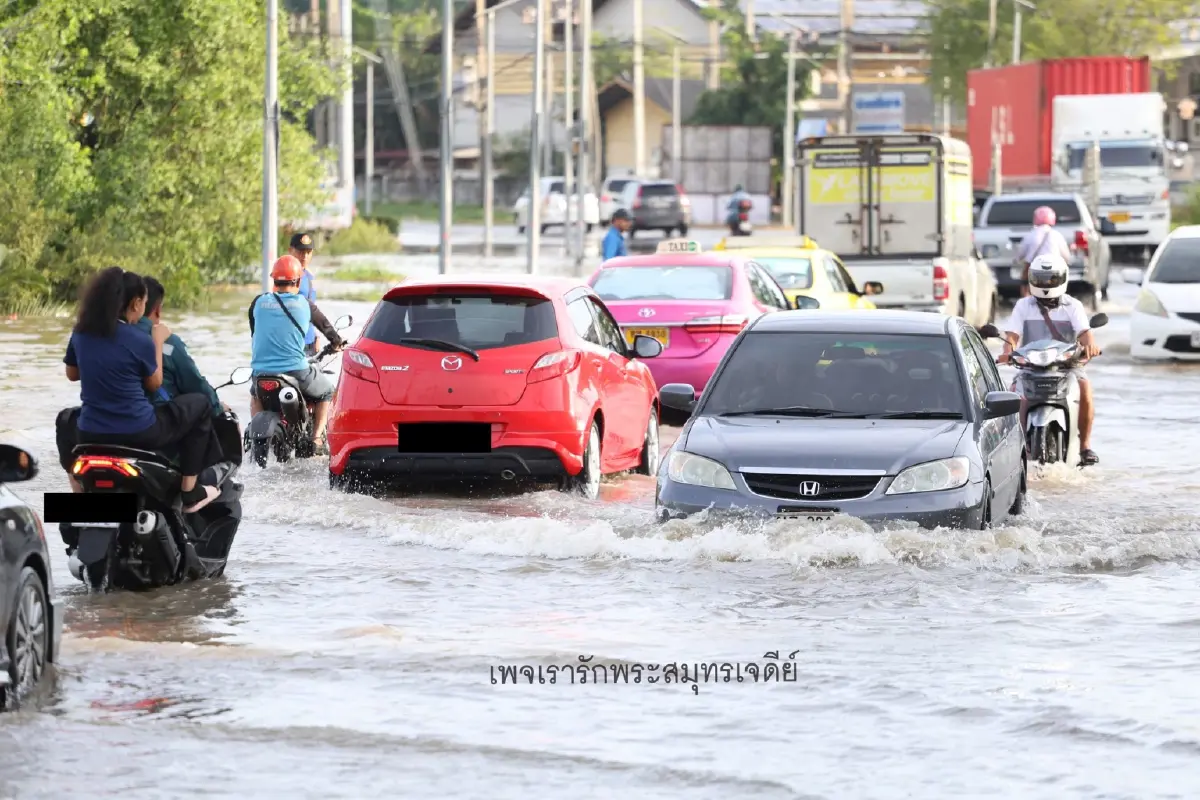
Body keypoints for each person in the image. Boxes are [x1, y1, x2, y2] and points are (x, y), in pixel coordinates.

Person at [57, 267, 224, 512]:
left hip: (90, 432)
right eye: (144, 303)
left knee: (64, 418)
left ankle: (79, 491)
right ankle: (190, 491)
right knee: (199, 404)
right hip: (139, 430)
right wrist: (157, 339)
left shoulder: (81, 333)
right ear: (135, 303)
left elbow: (72, 374)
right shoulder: (139, 339)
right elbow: (154, 382)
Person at [997, 253, 1102, 465]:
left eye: (1051, 279)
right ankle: (1012, 446)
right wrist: (1008, 351)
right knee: (1011, 395)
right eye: (1041, 278)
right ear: (1032, 279)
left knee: (1085, 390)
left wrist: (1090, 345)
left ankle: (1085, 447)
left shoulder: (1073, 306)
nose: (1045, 284)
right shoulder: (1023, 306)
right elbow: (1012, 337)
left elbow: (1084, 333)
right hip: (1029, 367)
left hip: (1067, 367)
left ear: (1062, 279)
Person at [247, 255, 346, 453]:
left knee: (254, 394)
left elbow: (254, 331)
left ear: (274, 280)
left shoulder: (258, 302)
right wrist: (337, 343)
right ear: (298, 281)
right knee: (327, 391)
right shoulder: (305, 304)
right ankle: (317, 439)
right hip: (296, 372)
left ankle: (254, 437)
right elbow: (327, 329)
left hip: (261, 372)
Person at [137, 277, 227, 418]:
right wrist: (218, 408)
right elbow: (195, 383)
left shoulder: (113, 337)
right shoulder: (170, 343)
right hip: (157, 421)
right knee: (201, 402)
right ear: (158, 310)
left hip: (110, 420)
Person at [1014, 206, 1071, 297]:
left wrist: (1017, 260)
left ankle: (1025, 302)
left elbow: (1019, 255)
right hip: (1054, 271)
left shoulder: (1030, 235)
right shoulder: (1057, 235)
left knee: (1024, 282)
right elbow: (1067, 257)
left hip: (1034, 271)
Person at [289, 232, 320, 357]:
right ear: (291, 251)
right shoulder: (287, 277)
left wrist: (316, 335)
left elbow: (312, 310)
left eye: (308, 252)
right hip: (294, 344)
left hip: (309, 341)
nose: (305, 256)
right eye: (301, 252)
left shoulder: (308, 276)